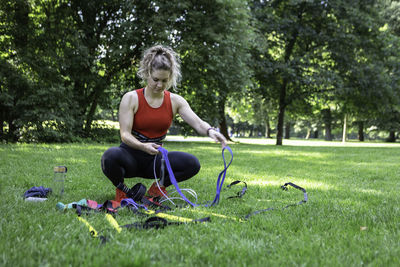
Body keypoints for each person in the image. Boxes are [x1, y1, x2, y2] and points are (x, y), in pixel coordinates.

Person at [101, 44, 227, 203]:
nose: (159, 85)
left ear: (170, 78)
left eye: (164, 81)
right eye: (155, 80)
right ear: (147, 73)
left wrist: (210, 131)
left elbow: (198, 123)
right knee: (109, 156)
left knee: (192, 163)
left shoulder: (175, 101)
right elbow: (125, 135)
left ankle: (158, 189)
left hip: (154, 161)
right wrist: (142, 146)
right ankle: (123, 191)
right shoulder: (131, 98)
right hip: (130, 157)